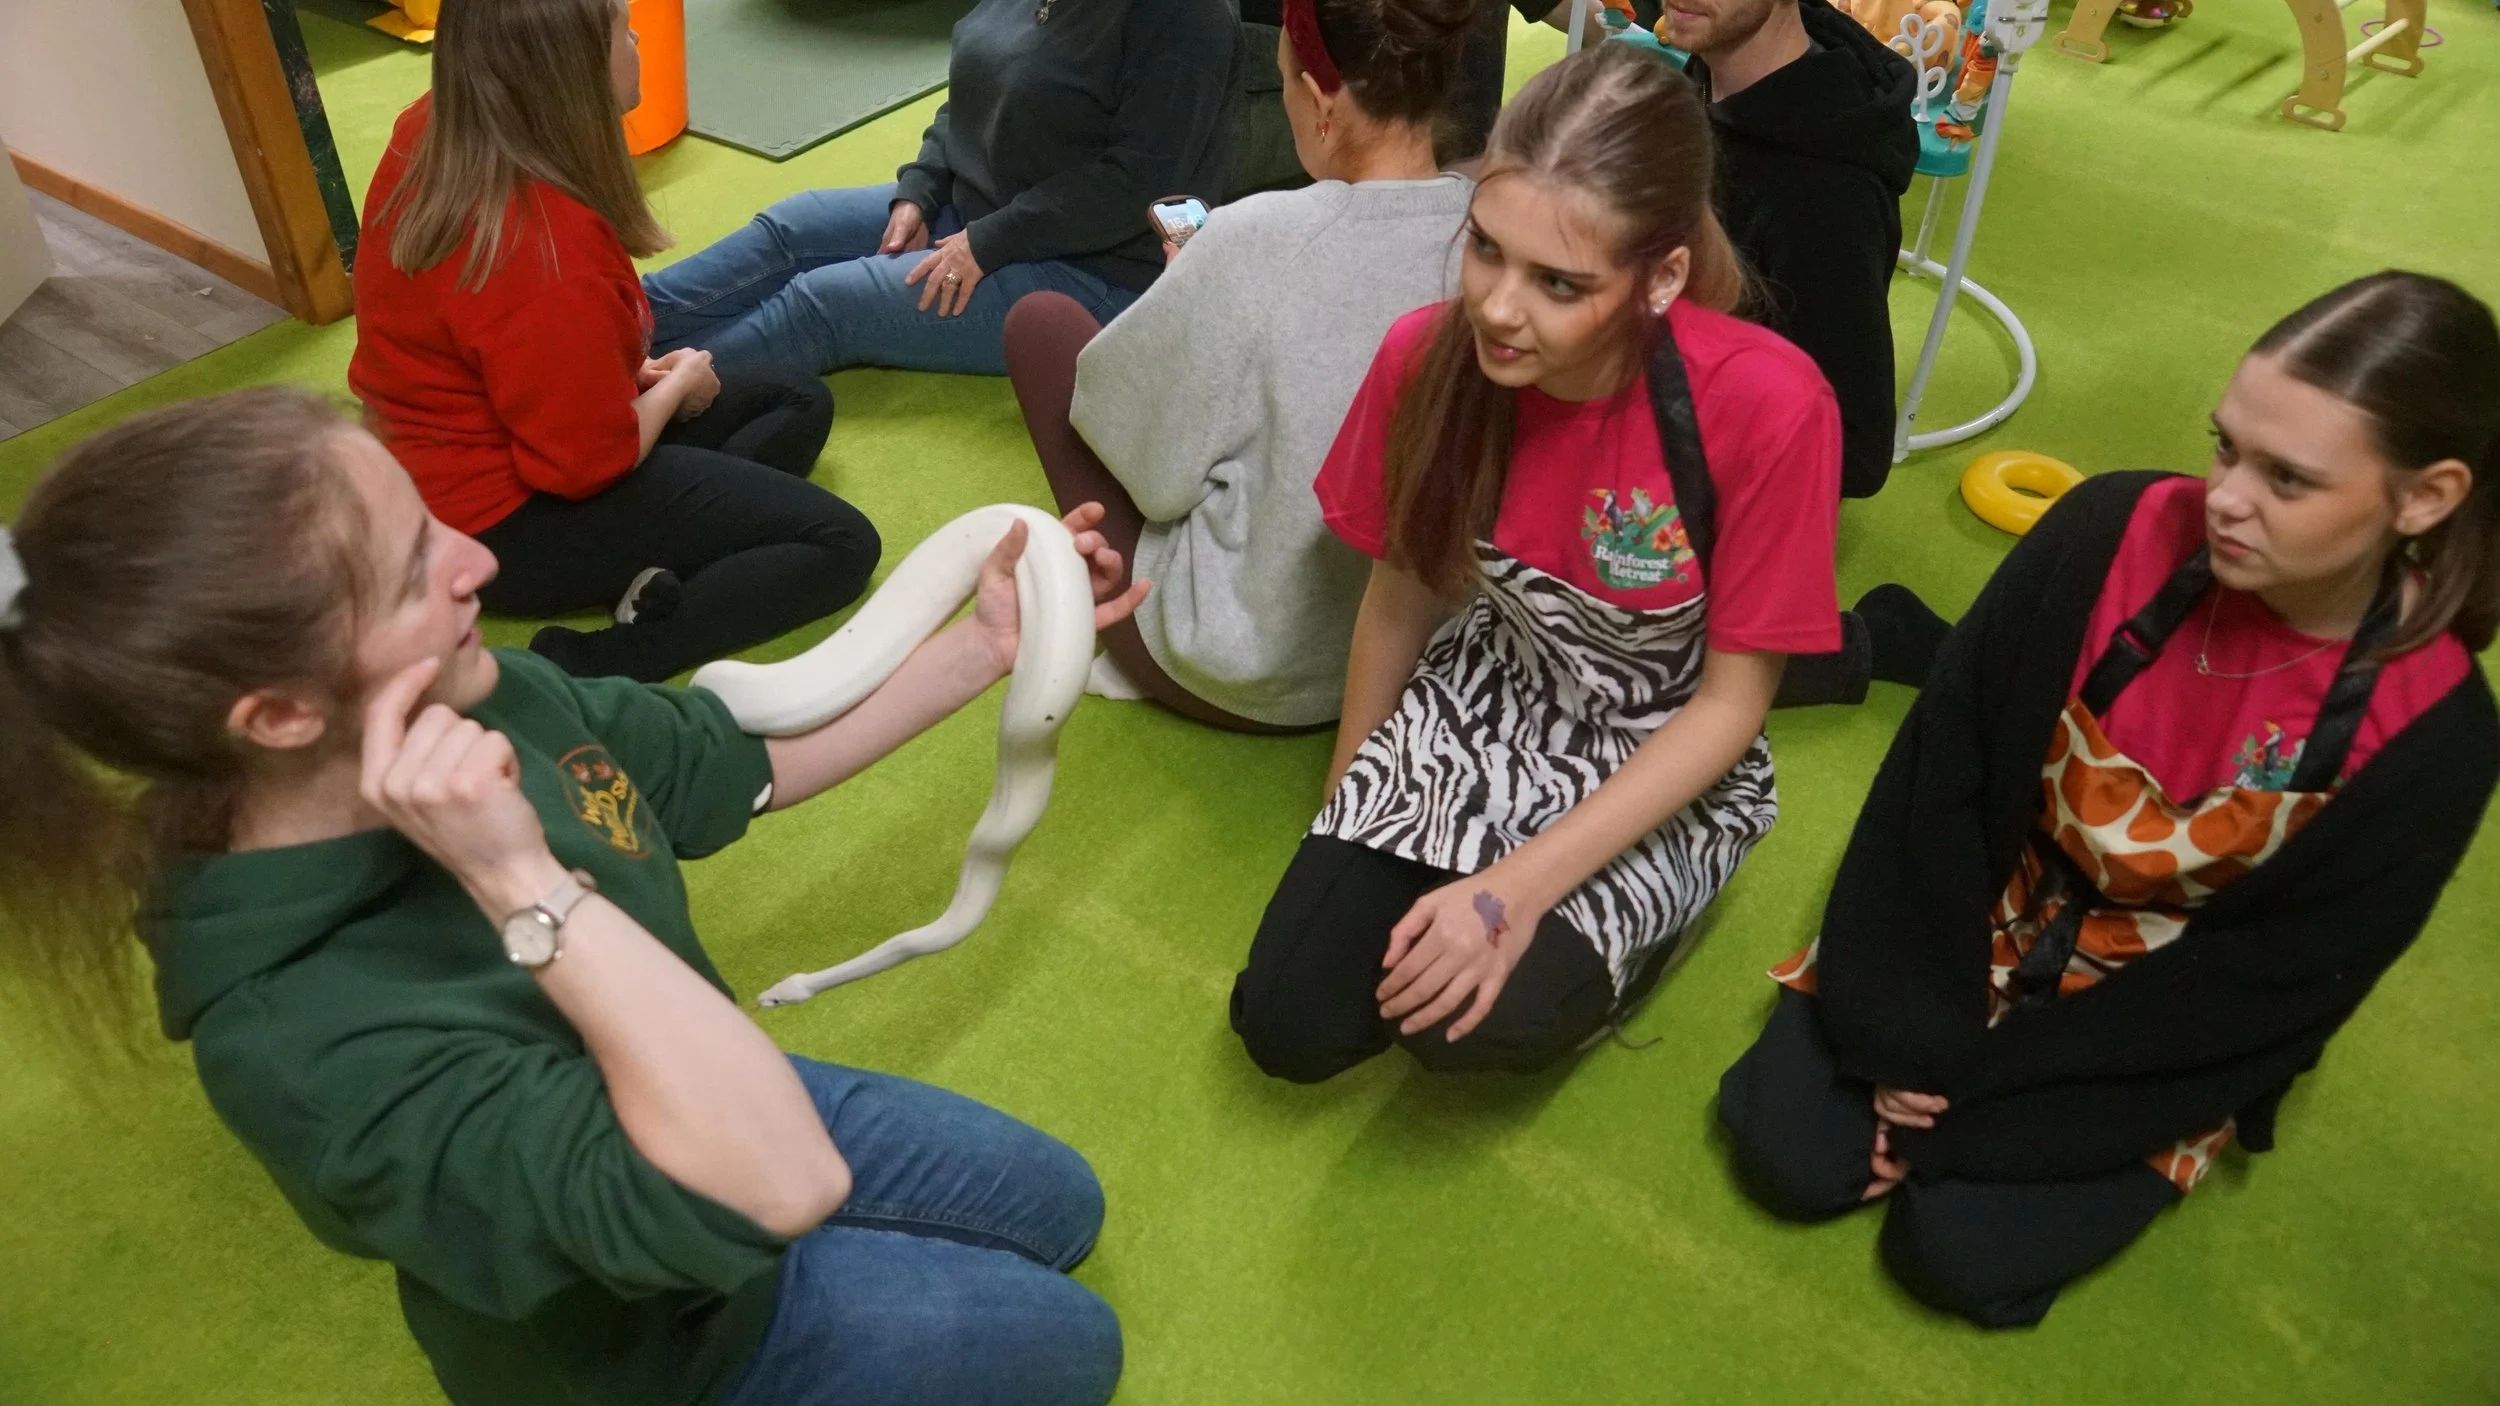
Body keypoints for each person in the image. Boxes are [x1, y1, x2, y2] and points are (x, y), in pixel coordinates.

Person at [0, 387, 1147, 1404]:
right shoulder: (297, 1044)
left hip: (708, 1083)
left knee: (1061, 1206)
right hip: (664, 1344)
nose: (478, 564)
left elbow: (741, 772)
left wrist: (982, 648)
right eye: (414, 572)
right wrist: (520, 880)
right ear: (282, 715)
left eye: (430, 515)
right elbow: (781, 1181)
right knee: (1075, 1345)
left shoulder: (495, 694)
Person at [1717, 271, 2500, 1329]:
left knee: (1955, 1255)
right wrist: (1907, 1037)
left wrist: (1989, 1107)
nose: (2225, 496)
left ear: (2425, 497)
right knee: (1786, 1155)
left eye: (2288, 479)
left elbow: (2265, 988)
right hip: (1984, 909)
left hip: (2147, 1014)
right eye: (2225, 446)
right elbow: (1940, 777)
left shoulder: (2435, 736)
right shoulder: (2105, 529)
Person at [1230, 44, 1842, 1082]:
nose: (1499, 309)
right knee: (1289, 1021)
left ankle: (1657, 914)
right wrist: (1350, 797)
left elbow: (1729, 707)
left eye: (1559, 282)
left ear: (1663, 278)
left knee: (1462, 1025)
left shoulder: (1770, 404)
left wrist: (1510, 889)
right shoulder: (1425, 360)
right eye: (1484, 250)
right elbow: (1397, 597)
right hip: (1495, 690)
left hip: (1666, 737)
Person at [351, 0, 877, 684]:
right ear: (576, 72)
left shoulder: (439, 126)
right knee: (840, 543)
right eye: (624, 32)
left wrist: (628, 377)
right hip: (502, 524)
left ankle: (651, 568)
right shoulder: (543, 254)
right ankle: (603, 656)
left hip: (437, 473)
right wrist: (680, 385)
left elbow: (504, 351)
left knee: (797, 400)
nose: (637, 41)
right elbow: (583, 467)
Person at [1001, 0, 1478, 732]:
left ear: (1321, 104)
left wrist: (1192, 291)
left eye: (1285, 80)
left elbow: (1155, 481)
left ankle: (1113, 629)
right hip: (1422, 649)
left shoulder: (1254, 237)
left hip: (1247, 673)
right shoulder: (1498, 236)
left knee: (1043, 326)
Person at [638, 0, 1237, 381]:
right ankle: (597, 334)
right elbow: (978, 85)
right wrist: (921, 185)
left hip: (1093, 272)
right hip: (981, 204)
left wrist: (988, 240)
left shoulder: (1188, 17)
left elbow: (1142, 182)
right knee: (790, 229)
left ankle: (638, 407)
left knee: (824, 304)